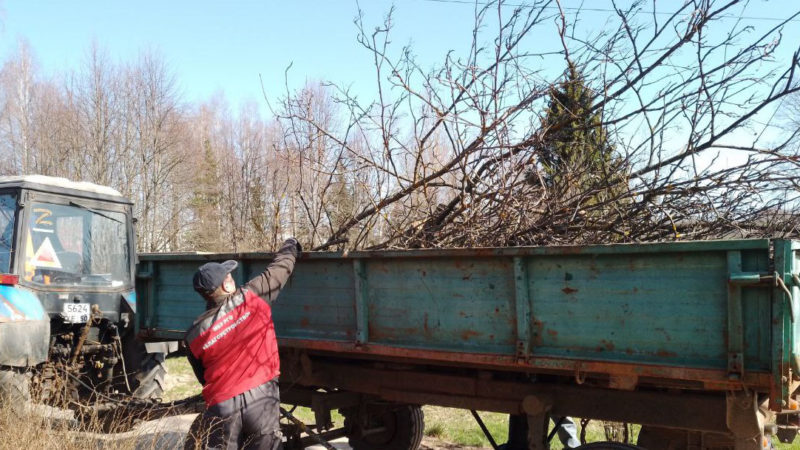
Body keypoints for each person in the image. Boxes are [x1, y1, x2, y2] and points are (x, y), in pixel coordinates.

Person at [185, 238, 301, 450]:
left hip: (221, 407)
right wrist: (291, 245)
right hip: (261, 400)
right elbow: (280, 269)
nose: (232, 278)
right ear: (227, 284)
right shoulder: (252, 298)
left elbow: (203, 376)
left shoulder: (193, 335)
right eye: (229, 276)